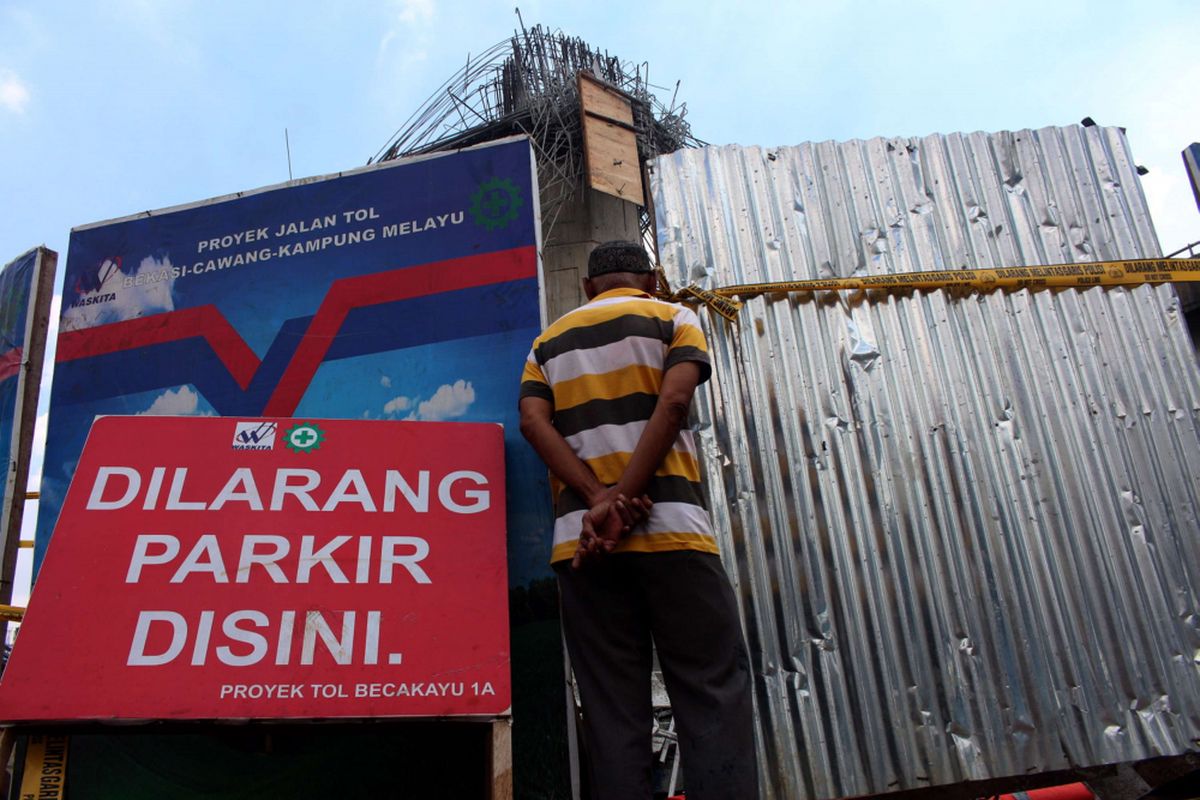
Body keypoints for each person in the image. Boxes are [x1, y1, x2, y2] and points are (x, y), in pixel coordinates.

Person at [518, 240, 759, 799]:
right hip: (674, 536)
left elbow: (533, 422)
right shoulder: (676, 317)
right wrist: (623, 499)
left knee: (610, 705)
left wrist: (597, 500)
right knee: (711, 689)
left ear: (587, 289)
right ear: (651, 280)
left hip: (584, 551)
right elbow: (674, 405)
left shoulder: (546, 344)